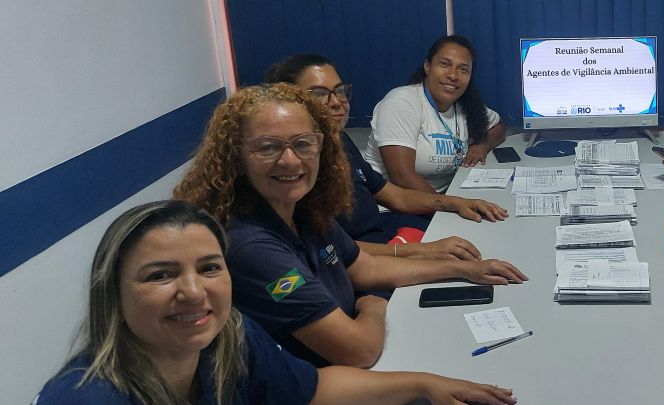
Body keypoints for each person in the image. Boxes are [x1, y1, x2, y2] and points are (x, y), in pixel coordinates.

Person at [174, 84, 528, 368]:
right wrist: (373, 304)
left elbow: (365, 267)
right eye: (268, 147)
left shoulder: (301, 208)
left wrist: (465, 270)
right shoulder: (251, 246)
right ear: (236, 156)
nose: (289, 160)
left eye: (303, 144)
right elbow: (357, 350)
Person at [34, 200, 517, 405]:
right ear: (113, 294)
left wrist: (428, 384)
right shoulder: (85, 397)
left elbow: (313, 389)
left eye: (208, 268)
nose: (194, 291)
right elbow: (354, 350)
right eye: (160, 275)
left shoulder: (230, 338)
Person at [264, 53, 506, 261]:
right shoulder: (293, 170)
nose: (337, 102)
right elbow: (330, 252)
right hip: (364, 258)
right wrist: (418, 251)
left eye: (340, 91)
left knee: (478, 241)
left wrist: (456, 202)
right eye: (320, 93)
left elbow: (395, 196)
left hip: (381, 236)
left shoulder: (339, 141)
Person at [364, 35, 507, 194]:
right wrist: (451, 207)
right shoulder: (402, 102)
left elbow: (500, 126)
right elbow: (402, 178)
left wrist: (482, 145)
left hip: (440, 201)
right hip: (393, 207)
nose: (453, 75)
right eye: (445, 64)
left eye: (463, 69)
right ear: (427, 66)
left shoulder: (466, 105)